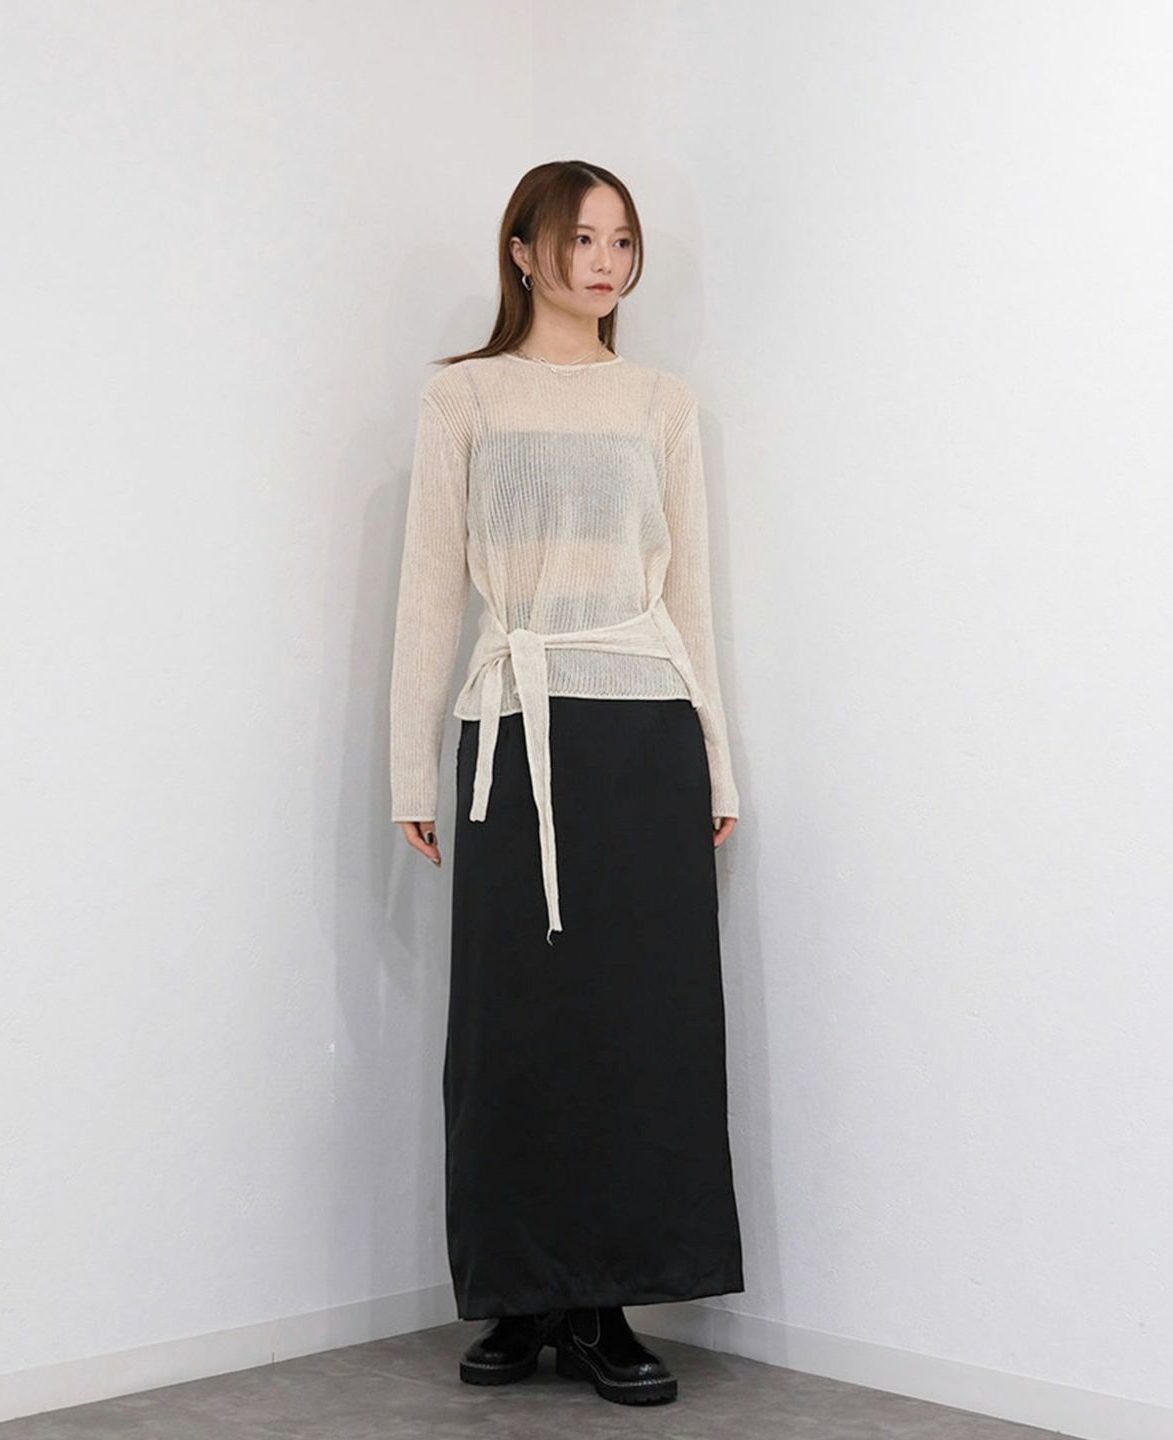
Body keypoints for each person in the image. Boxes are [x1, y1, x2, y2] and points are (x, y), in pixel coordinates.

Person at [388, 159, 743, 1408]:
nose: (605, 262)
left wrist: (718, 756)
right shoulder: (464, 397)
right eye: (582, 238)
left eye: (622, 241)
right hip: (511, 728)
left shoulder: (661, 403)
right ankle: (519, 1294)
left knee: (639, 1024)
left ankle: (605, 1301)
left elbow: (688, 592)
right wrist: (410, 764)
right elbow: (430, 585)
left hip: (643, 730)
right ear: (524, 251)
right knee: (513, 1027)